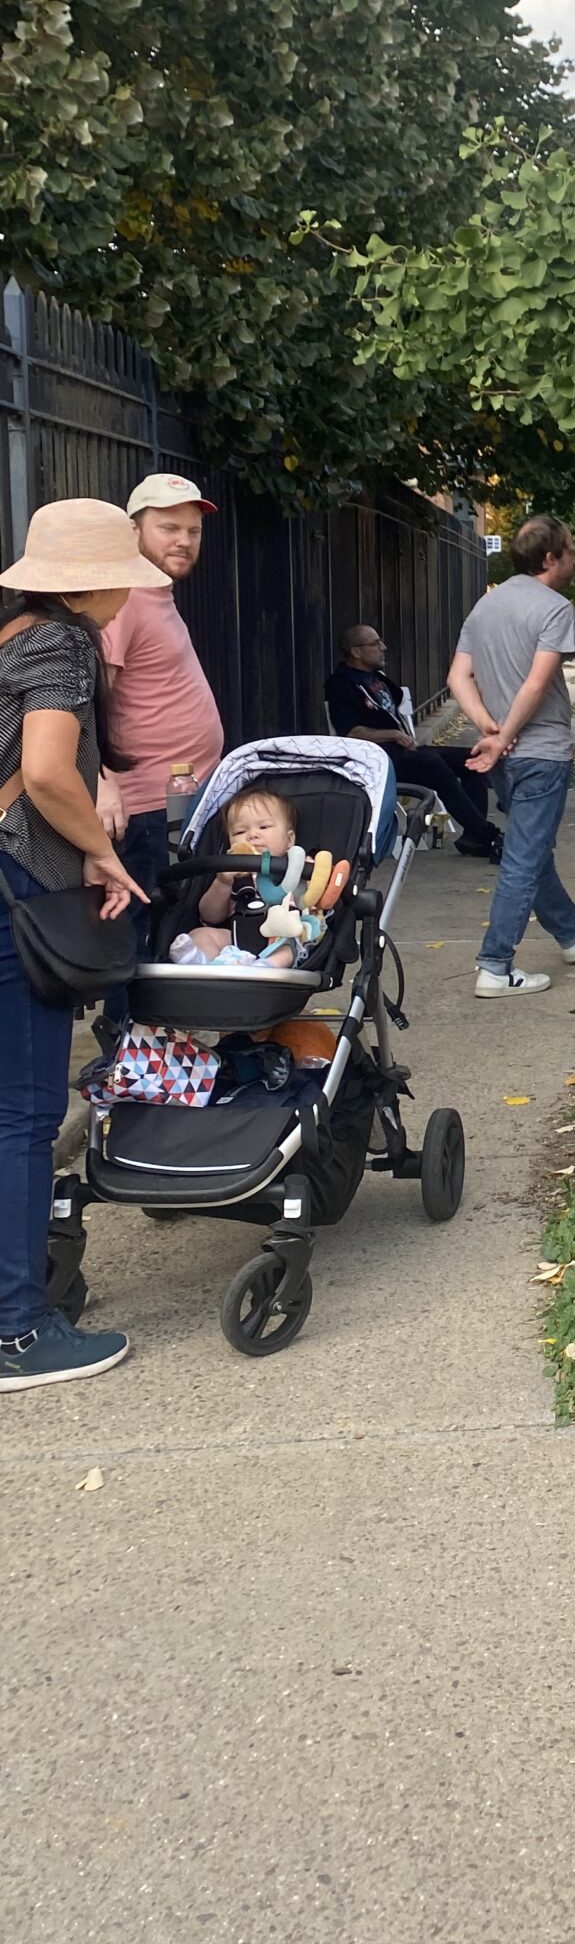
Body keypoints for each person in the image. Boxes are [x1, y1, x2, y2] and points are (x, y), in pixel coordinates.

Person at [0, 500, 158, 1393]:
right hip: (16, 888)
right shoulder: (60, 645)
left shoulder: (10, 633)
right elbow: (50, 769)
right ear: (95, 581)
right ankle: (18, 1331)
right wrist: (99, 853)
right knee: (23, 1114)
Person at [448, 515, 575, 999]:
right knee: (522, 858)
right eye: (571, 550)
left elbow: (457, 679)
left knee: (530, 851)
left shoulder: (485, 606)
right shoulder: (555, 609)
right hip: (542, 752)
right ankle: (496, 964)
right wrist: (504, 733)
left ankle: (571, 932)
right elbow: (537, 683)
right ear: (550, 558)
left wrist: (488, 729)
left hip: (506, 759)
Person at [96, 472, 224, 895]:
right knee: (149, 934)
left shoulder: (155, 592)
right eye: (168, 528)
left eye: (193, 531)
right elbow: (92, 695)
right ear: (133, 531)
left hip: (181, 797)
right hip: (148, 808)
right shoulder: (124, 597)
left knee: (177, 928)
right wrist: (102, 781)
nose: (183, 540)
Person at [325, 623, 502, 860]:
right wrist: (394, 734)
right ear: (356, 652)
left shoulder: (376, 678)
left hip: (404, 751)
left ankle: (472, 837)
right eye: (375, 643)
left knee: (472, 759)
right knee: (432, 765)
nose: (383, 647)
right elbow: (351, 733)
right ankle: (486, 834)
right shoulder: (341, 685)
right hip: (378, 759)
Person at [173, 788, 304, 968]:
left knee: (290, 947)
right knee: (202, 933)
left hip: (281, 937)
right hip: (236, 939)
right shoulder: (234, 873)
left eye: (264, 827)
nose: (252, 835)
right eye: (240, 832)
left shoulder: (297, 865)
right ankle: (201, 963)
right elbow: (210, 917)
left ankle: (265, 967)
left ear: (289, 839)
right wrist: (222, 883)